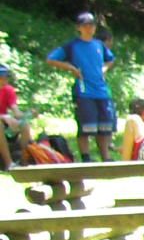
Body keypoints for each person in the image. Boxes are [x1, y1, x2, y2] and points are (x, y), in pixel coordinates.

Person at [44, 11, 116, 162]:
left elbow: (110, 59)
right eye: (86, 25)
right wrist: (71, 67)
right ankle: (86, 157)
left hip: (101, 90)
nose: (89, 28)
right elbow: (51, 59)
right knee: (86, 126)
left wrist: (103, 69)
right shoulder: (72, 45)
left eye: (92, 25)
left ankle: (105, 157)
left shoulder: (98, 44)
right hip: (84, 91)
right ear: (79, 27)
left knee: (104, 126)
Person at [0, 65, 23, 169]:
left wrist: (26, 116)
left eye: (6, 77)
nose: (5, 80)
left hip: (5, 121)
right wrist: (4, 117)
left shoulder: (8, 89)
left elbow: (15, 110)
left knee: (24, 124)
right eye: (2, 78)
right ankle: (8, 163)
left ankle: (23, 158)